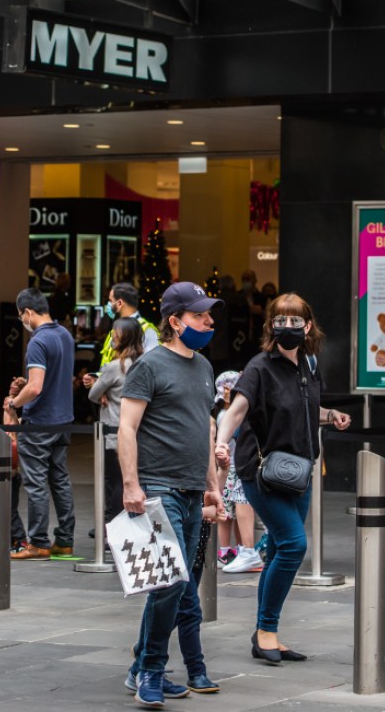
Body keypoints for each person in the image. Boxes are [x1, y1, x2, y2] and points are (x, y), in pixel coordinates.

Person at [215, 292, 352, 664]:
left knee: (278, 547)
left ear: (308, 326)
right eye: (281, 320)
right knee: (293, 545)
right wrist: (221, 443)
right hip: (261, 472)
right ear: (270, 325)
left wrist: (330, 416)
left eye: (296, 321)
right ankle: (266, 631)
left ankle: (265, 632)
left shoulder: (308, 363)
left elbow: (302, 409)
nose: (288, 327)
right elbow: (237, 409)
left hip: (299, 471)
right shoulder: (259, 367)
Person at [119, 281, 226, 705]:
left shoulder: (203, 367)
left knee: (177, 585)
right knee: (168, 582)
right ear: (175, 321)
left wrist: (212, 487)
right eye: (200, 315)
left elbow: (205, 431)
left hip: (190, 489)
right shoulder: (149, 366)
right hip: (157, 485)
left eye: (208, 315)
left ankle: (140, 664)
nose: (209, 321)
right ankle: (150, 671)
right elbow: (126, 427)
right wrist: (132, 484)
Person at [5, 288, 76, 560]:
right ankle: (65, 541)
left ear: (28, 312)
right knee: (60, 480)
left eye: (21, 314)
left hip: (39, 422)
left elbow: (35, 388)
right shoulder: (65, 335)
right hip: (63, 420)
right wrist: (27, 387)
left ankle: (38, 542)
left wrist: (14, 403)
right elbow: (52, 379)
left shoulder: (37, 341)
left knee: (36, 483)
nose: (22, 319)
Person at [87, 316, 144, 526]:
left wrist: (102, 390)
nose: (112, 336)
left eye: (115, 333)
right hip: (139, 434)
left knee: (114, 483)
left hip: (114, 433)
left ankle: (113, 529)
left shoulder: (114, 367)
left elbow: (93, 394)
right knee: (132, 480)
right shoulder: (142, 364)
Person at [212, 370, 261, 572]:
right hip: (234, 467)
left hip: (233, 467)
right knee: (238, 507)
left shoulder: (224, 413)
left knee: (231, 511)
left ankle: (236, 550)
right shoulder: (229, 415)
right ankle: (243, 551)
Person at [99, 282, 159, 366]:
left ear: (119, 303)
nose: (108, 304)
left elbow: (152, 365)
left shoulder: (147, 330)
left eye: (110, 300)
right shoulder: (116, 328)